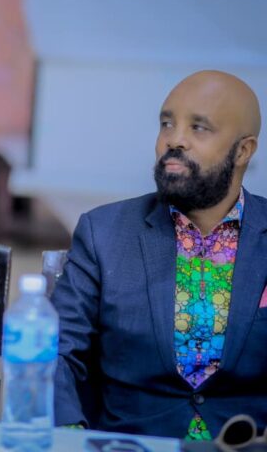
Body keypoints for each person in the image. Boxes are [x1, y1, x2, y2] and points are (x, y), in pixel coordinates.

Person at [53, 70, 266, 439]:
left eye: (199, 127)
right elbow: (56, 351)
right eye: (167, 123)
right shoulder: (104, 232)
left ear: (243, 150)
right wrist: (70, 439)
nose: (174, 139)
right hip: (131, 444)